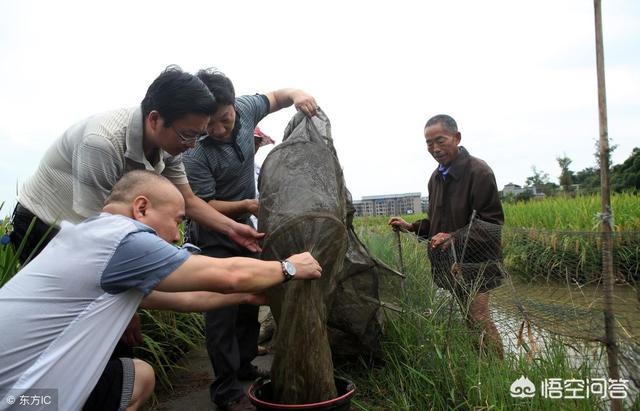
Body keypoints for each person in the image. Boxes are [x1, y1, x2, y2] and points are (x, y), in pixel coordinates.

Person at [0, 170, 322, 411]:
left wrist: (245, 297)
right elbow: (229, 274)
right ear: (141, 209)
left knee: (139, 376)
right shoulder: (124, 238)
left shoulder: (91, 237)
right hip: (19, 396)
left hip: (18, 382)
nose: (176, 234)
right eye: (178, 220)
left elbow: (184, 299)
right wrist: (289, 267)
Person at [9, 65, 263, 266]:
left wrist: (233, 229)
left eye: (198, 135)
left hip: (90, 228)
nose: (193, 145)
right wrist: (122, 300)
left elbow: (189, 200)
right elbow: (94, 234)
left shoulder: (171, 142)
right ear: (155, 119)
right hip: (44, 225)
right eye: (188, 135)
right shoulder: (101, 143)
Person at [182, 68, 317, 411]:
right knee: (222, 309)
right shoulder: (197, 151)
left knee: (248, 303)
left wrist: (298, 94)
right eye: (209, 123)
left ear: (232, 106)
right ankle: (225, 388)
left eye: (224, 119)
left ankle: (243, 363)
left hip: (246, 226)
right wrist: (245, 204)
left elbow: (279, 96)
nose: (218, 129)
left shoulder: (246, 108)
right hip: (213, 231)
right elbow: (204, 205)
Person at [388, 114, 504, 358]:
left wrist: (454, 237)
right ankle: (483, 366)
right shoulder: (436, 177)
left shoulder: (479, 172)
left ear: (457, 137)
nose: (435, 148)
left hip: (477, 263)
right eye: (429, 143)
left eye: (440, 141)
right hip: (449, 263)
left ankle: (499, 373)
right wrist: (411, 227)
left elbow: (492, 224)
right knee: (469, 318)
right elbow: (437, 224)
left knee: (480, 318)